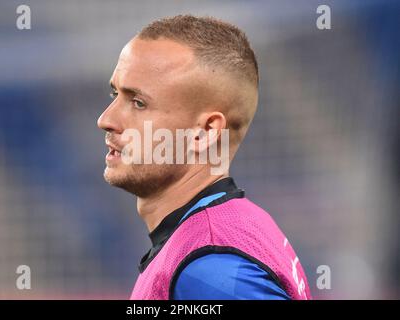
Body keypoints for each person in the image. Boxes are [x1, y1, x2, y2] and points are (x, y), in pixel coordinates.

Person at [97, 14, 311, 300]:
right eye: (115, 94)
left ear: (206, 132)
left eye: (138, 102)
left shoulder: (210, 268)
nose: (106, 119)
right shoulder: (226, 231)